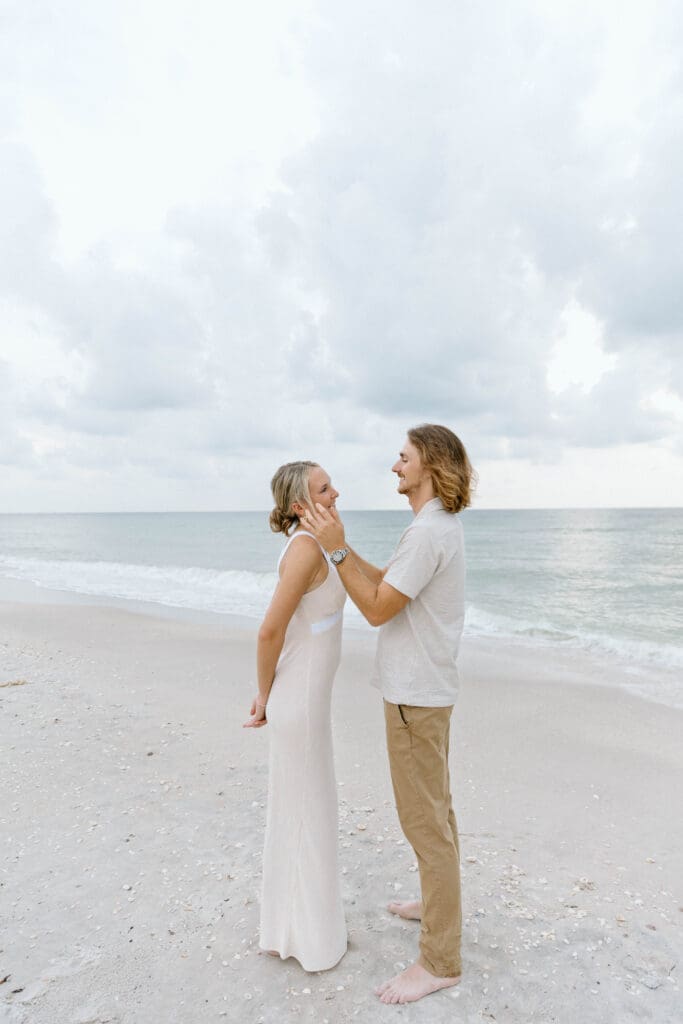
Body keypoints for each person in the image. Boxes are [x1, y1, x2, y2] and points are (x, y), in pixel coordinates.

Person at [303, 423, 474, 1005]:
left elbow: (376, 609)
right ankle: (435, 901)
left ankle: (439, 960)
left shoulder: (429, 534)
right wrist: (345, 551)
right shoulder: (429, 529)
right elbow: (388, 583)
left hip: (415, 698)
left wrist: (337, 549)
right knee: (437, 814)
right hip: (426, 692)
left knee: (425, 824)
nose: (393, 465)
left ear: (430, 464)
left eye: (403, 458)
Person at [243, 460, 347, 972]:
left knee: (305, 813)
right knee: (306, 813)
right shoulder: (306, 550)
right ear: (299, 505)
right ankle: (308, 940)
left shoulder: (321, 543)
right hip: (297, 704)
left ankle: (292, 931)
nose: (337, 493)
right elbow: (269, 631)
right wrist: (263, 696)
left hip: (307, 702)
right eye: (325, 488)